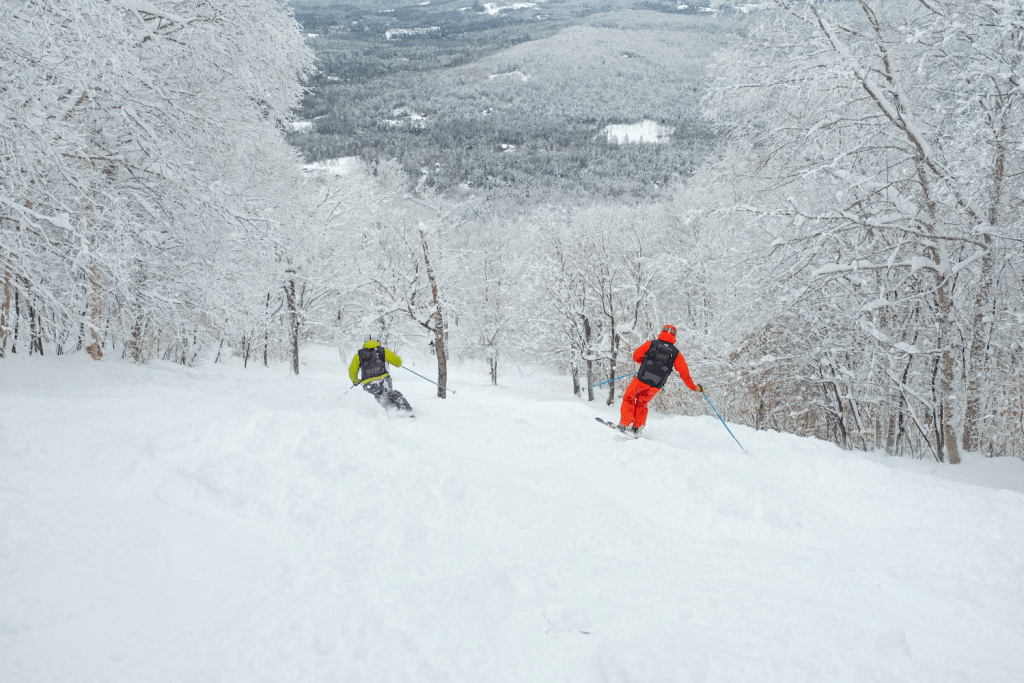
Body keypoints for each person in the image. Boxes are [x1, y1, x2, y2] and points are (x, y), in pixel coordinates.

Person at [618, 324, 702, 435]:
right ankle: (637, 428)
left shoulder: (651, 344)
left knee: (629, 397)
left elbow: (636, 356)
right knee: (642, 403)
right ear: (674, 335)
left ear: (662, 331)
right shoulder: (676, 353)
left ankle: (625, 424)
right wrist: (694, 387)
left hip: (642, 379)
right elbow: (684, 373)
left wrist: (646, 365)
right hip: (656, 385)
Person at [349, 335, 413, 413]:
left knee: (380, 397)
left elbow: (352, 370)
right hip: (383, 379)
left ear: (365, 342)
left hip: (368, 383)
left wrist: (355, 381)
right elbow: (398, 362)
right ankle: (406, 410)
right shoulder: (382, 350)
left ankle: (393, 412)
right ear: (377, 341)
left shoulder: (359, 354)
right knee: (390, 393)